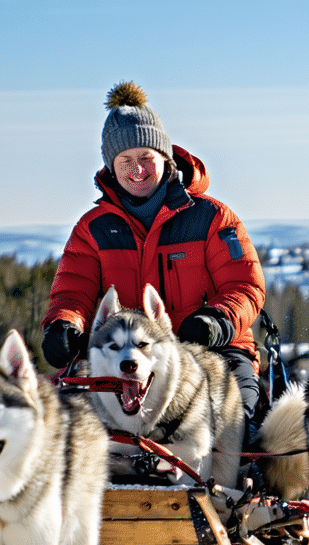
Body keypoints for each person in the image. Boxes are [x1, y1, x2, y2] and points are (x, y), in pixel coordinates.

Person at [40, 81, 267, 436]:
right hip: (124, 358)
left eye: (146, 157)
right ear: (111, 166)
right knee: (63, 432)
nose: (138, 170)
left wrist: (216, 321)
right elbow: (73, 293)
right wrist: (64, 326)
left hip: (212, 353)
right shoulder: (92, 229)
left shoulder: (212, 218)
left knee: (233, 432)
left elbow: (244, 285)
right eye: (125, 160)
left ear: (165, 157)